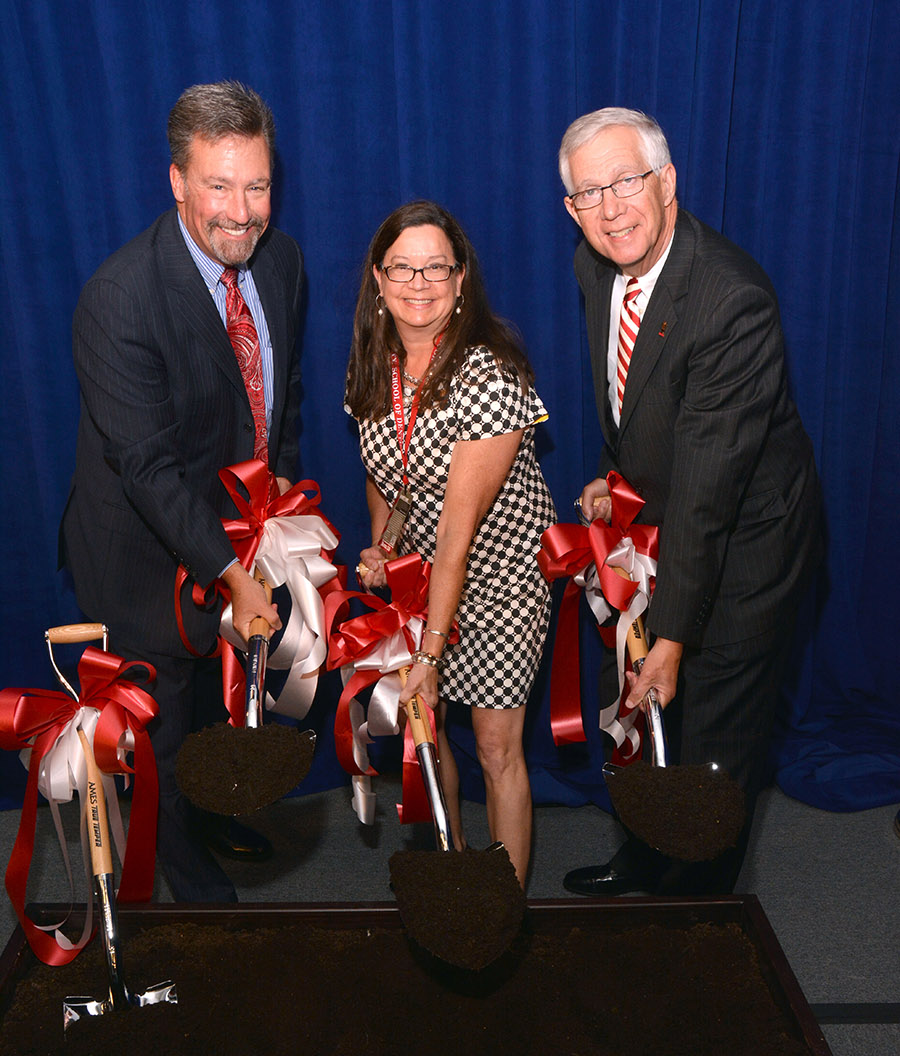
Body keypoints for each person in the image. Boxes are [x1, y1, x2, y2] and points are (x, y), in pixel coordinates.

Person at [558, 108, 821, 897]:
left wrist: (671, 637)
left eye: (627, 181)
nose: (611, 209)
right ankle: (641, 856)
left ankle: (695, 916)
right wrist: (616, 474)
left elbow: (710, 491)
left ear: (668, 181)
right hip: (664, 527)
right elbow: (630, 398)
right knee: (641, 715)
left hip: (747, 547)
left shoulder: (731, 300)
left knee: (711, 745)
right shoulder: (592, 264)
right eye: (588, 193)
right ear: (570, 208)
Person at [60, 81, 304, 902]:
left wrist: (281, 523)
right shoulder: (120, 298)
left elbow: (278, 401)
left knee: (213, 703)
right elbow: (149, 471)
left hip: (234, 534)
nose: (242, 212)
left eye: (258, 184)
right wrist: (232, 576)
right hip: (140, 557)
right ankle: (197, 890)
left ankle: (209, 815)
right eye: (218, 186)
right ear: (177, 182)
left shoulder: (282, 261)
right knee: (160, 731)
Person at [345, 201, 556, 886]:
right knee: (427, 736)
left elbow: (459, 535)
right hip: (425, 576)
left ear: (461, 280)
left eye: (436, 265)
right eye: (403, 266)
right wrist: (385, 543)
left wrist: (430, 649)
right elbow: (388, 473)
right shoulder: (373, 366)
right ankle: (458, 875)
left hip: (498, 579)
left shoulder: (489, 376)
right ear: (378, 279)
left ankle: (507, 905)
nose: (419, 280)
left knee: (497, 747)